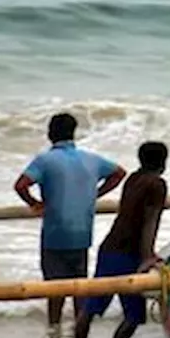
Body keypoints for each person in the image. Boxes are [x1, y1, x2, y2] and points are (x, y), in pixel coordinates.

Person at [14, 113, 126, 326]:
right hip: (82, 233)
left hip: (55, 233)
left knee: (54, 289)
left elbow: (20, 185)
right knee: (79, 288)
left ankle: (54, 330)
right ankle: (79, 332)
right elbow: (119, 173)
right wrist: (95, 194)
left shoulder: (45, 160)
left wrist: (35, 204)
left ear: (50, 134)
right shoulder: (92, 159)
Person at [73, 141, 169, 338]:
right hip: (129, 253)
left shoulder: (133, 179)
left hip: (109, 248)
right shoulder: (157, 185)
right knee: (134, 315)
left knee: (91, 307)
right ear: (163, 162)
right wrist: (148, 257)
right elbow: (150, 220)